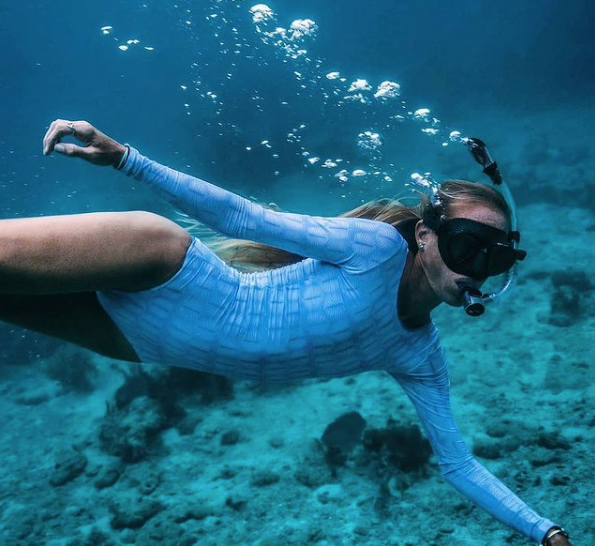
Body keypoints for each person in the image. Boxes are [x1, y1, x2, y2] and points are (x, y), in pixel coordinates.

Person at [2, 118, 571, 545]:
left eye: (493, 260)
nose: (475, 270)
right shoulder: (375, 248)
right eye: (466, 247)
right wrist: (125, 158)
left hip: (138, 342)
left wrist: (545, 531)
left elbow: (459, 465)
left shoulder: (419, 354)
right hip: (163, 265)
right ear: (425, 236)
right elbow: (243, 217)